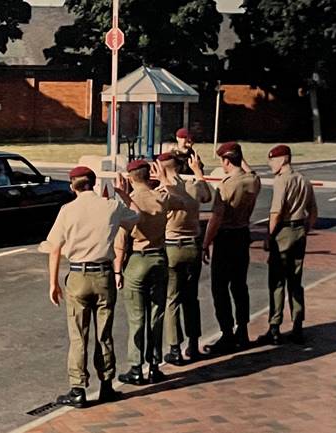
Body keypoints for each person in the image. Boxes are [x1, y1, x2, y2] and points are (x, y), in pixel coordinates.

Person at [46, 166, 140, 408]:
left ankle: (78, 389)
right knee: (104, 333)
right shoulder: (111, 207)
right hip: (104, 275)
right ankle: (106, 385)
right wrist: (125, 194)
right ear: (94, 184)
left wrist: (53, 283)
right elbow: (136, 218)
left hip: (77, 275)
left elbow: (54, 247)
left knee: (78, 335)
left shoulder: (67, 210)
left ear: (72, 186)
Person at [113, 159, 183, 385]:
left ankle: (136, 367)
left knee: (136, 317)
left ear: (130, 177)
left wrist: (117, 271)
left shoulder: (130, 202)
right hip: (159, 256)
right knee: (156, 314)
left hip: (137, 258)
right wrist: (164, 182)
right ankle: (154, 365)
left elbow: (121, 240)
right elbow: (184, 202)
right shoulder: (161, 197)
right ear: (148, 175)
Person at [202, 142, 261, 355]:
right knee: (239, 285)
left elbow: (216, 218)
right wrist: (240, 158)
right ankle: (242, 330)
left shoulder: (226, 185)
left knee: (220, 287)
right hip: (242, 234)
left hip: (226, 237)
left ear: (226, 161)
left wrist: (206, 242)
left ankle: (227, 333)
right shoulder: (253, 181)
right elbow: (250, 170)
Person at [258, 145, 317, 345]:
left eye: (272, 160)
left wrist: (268, 235)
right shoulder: (304, 180)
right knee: (295, 279)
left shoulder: (282, 181)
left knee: (277, 280)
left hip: (283, 231)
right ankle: (298, 325)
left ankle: (274, 326)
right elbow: (313, 212)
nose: (270, 164)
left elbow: (276, 212)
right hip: (300, 230)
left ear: (282, 160)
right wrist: (304, 230)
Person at [156, 150, 212, 364]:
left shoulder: (164, 191)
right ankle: (194, 343)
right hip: (193, 245)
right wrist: (198, 172)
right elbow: (207, 196)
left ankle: (174, 348)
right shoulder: (193, 186)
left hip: (172, 246)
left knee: (172, 299)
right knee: (191, 298)